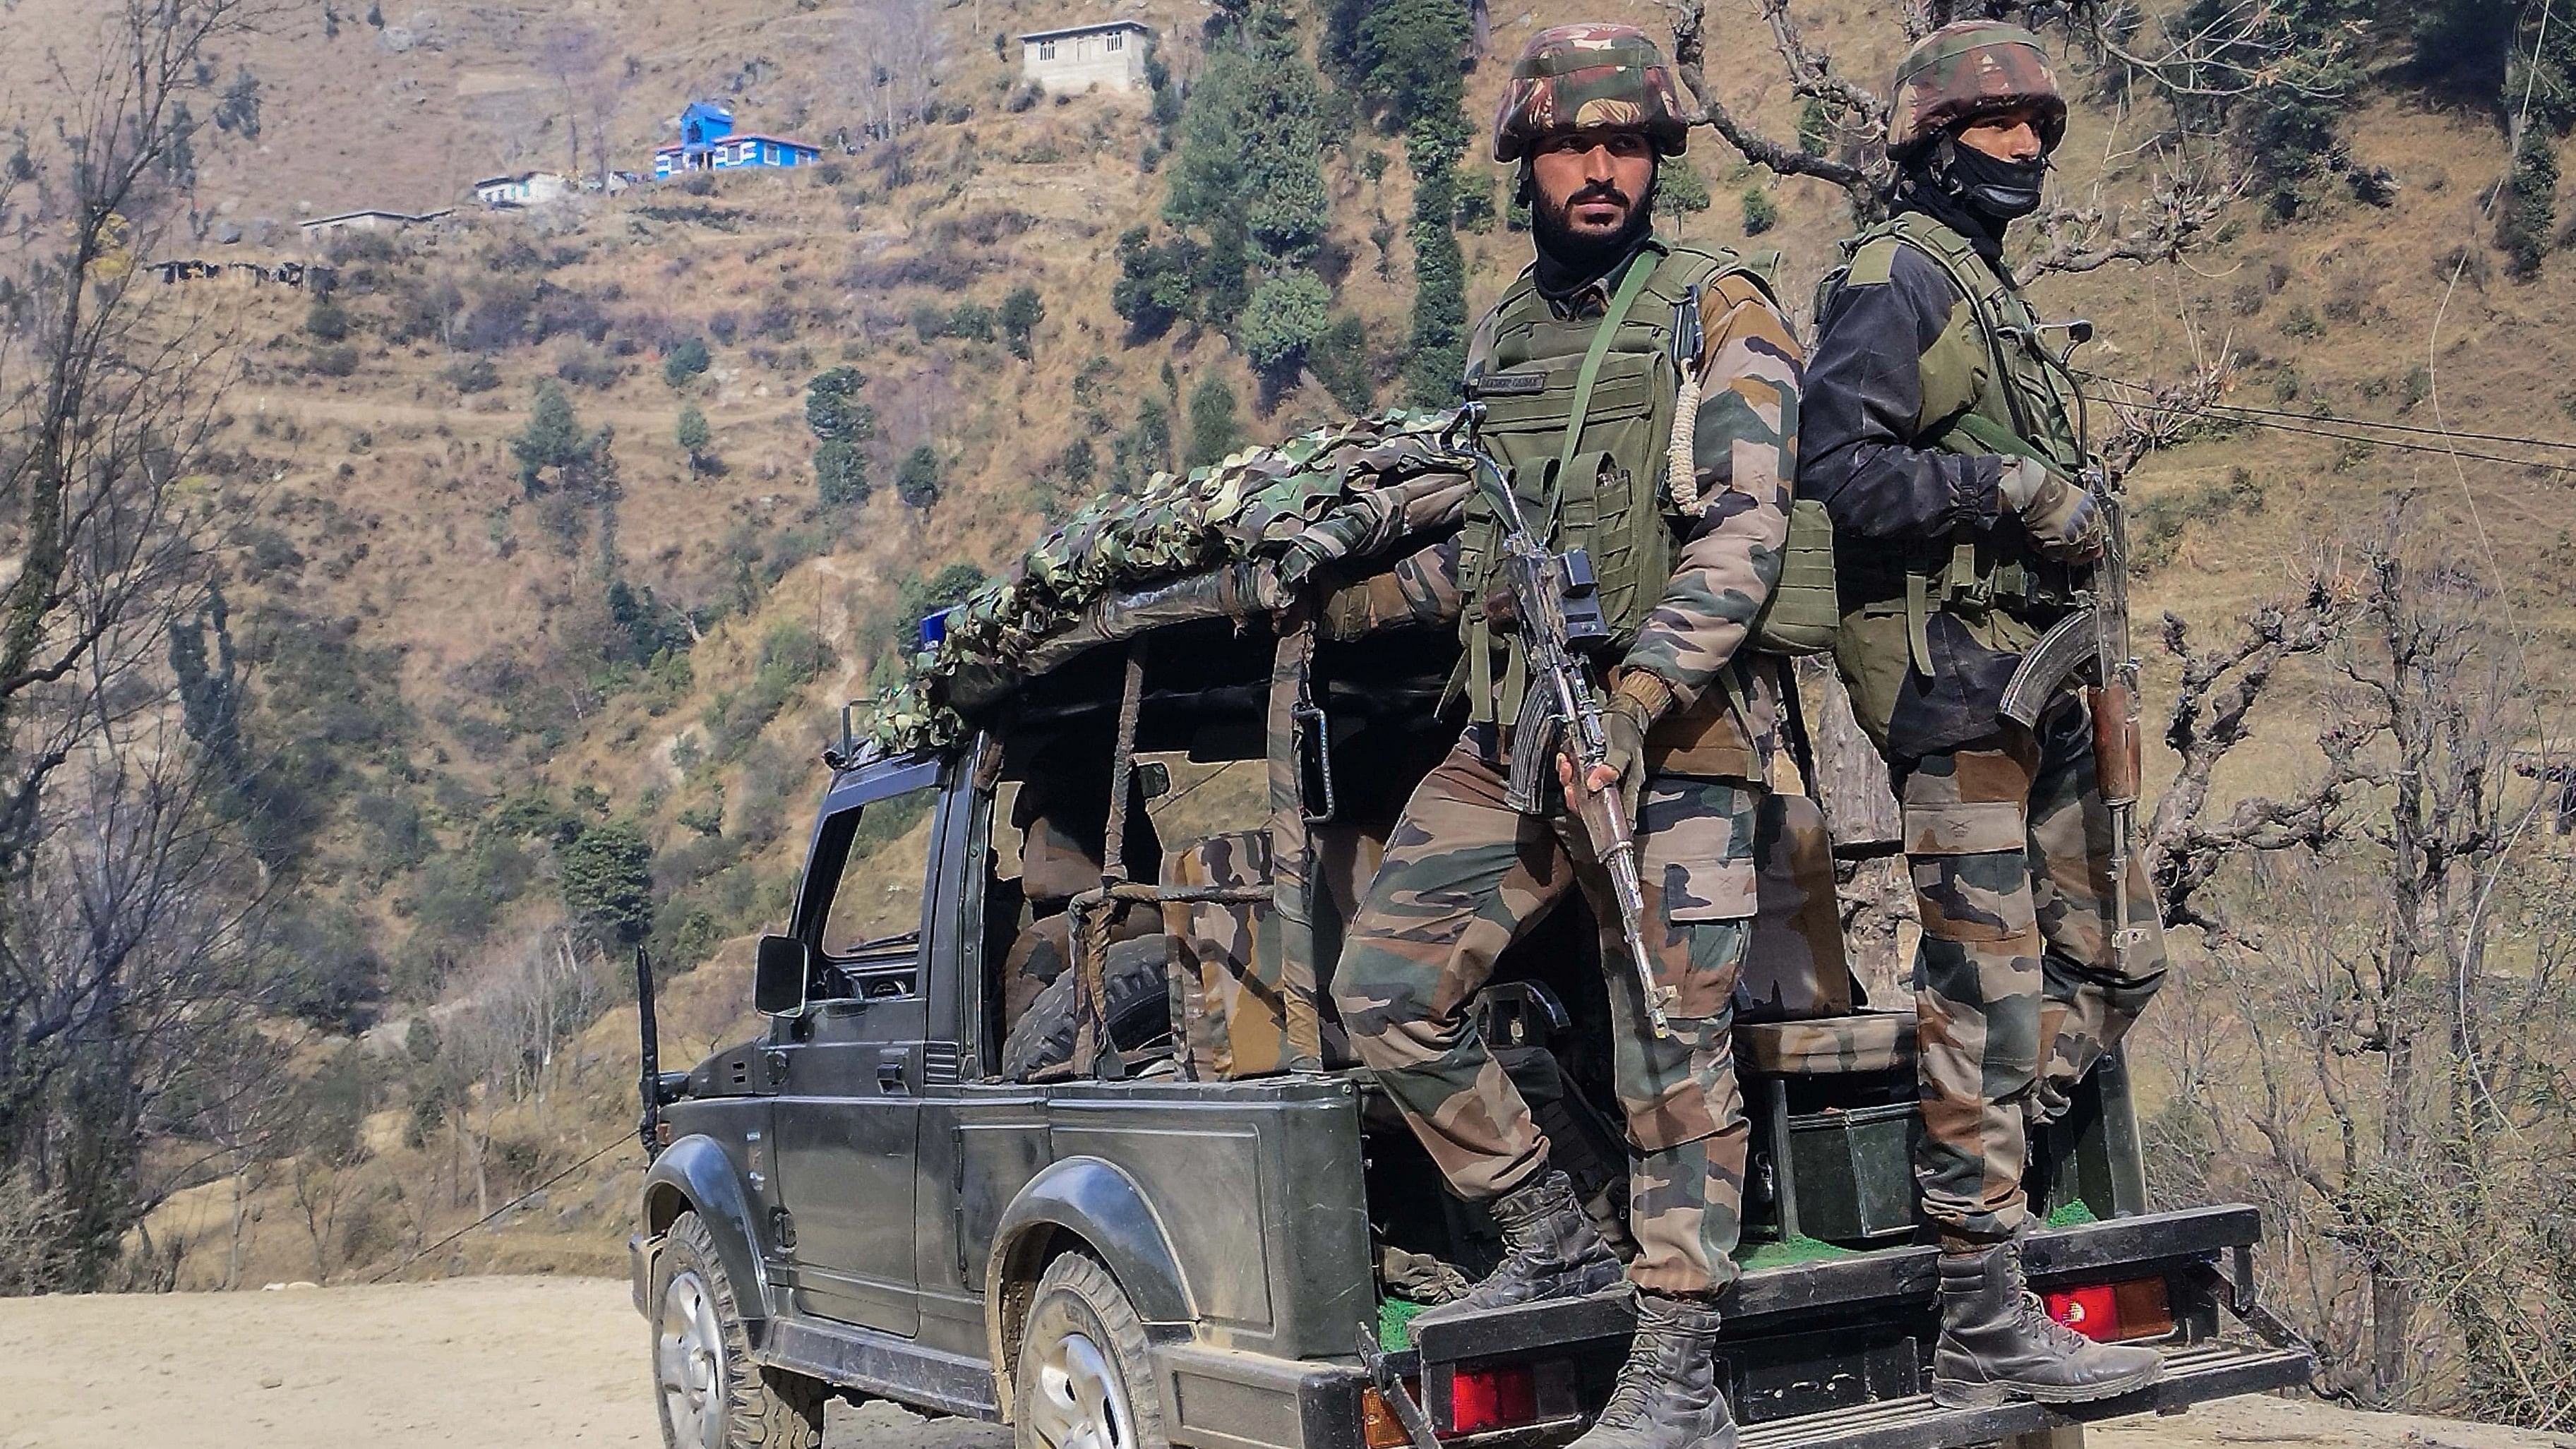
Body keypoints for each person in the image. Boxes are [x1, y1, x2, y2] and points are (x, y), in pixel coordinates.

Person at [1329, 24, 1802, 1449]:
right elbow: (1485, 547)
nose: (1598, 170)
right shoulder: (1504, 335)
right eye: (1569, 146)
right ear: (1524, 163)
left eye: (1625, 145)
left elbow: (1746, 535)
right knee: (1383, 983)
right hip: (1518, 724)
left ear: (1656, 158)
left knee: (1673, 1033)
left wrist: (1646, 699)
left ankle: (1674, 1366)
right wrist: (1341, 598)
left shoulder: (1713, 310)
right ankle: (1547, 1224)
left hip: (1680, 735)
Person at [1798, 21, 2169, 1409]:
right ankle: (1978, 1295)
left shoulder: (1983, 284)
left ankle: (1971, 1178)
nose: (2021, 149)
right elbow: (1834, 466)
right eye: (1993, 127)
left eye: (2036, 131)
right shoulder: (1895, 275)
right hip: (1955, 691)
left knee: (2116, 960)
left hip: (2043, 679)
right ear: (1930, 141)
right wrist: (2004, 494)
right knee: (1986, 997)